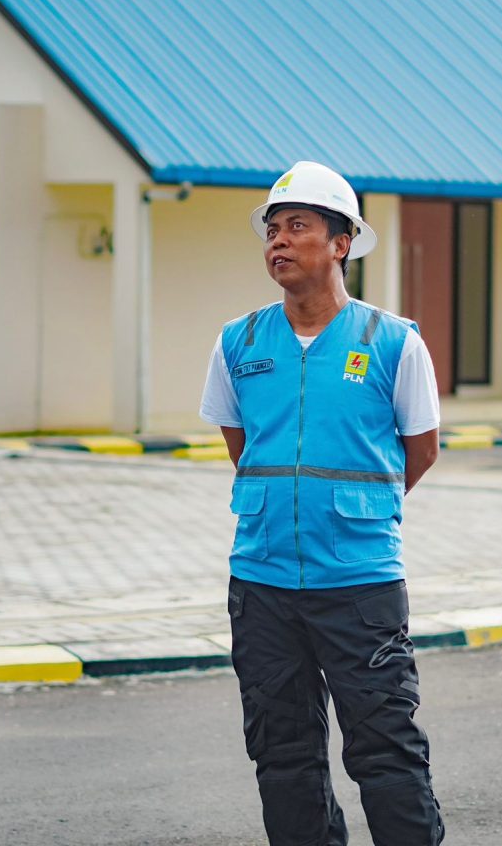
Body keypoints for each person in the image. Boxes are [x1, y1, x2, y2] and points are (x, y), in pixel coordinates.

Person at [199, 160, 445, 846]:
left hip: (360, 586)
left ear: (342, 243)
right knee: (282, 756)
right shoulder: (239, 341)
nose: (278, 241)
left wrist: (349, 515)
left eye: (297, 226)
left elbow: (418, 453)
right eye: (272, 229)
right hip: (263, 584)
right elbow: (243, 444)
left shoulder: (393, 342)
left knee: (386, 752)